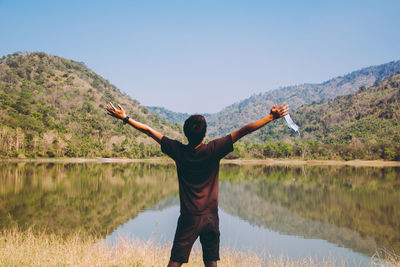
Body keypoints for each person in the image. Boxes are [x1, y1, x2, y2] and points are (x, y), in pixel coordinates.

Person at [106, 102, 289, 267]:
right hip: (210, 217)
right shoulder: (214, 149)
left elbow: (148, 130)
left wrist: (126, 118)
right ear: (205, 134)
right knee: (211, 262)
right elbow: (243, 131)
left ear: (185, 133)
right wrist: (271, 117)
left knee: (175, 262)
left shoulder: (178, 150)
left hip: (189, 218)